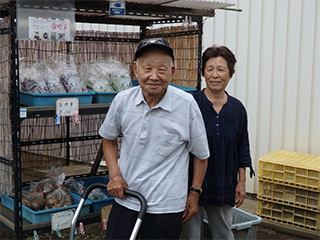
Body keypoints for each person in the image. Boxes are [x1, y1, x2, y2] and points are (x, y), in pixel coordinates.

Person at [99, 38, 210, 239]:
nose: (154, 76)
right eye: (147, 68)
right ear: (135, 69)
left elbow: (201, 154)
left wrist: (194, 193)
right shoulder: (122, 101)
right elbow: (108, 138)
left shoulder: (186, 105)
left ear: (172, 71)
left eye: (162, 69)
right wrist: (114, 175)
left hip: (166, 206)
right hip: (127, 198)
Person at [180, 45, 255, 240]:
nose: (215, 75)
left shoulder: (237, 109)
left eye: (221, 69)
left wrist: (242, 182)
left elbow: (242, 147)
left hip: (223, 181)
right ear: (203, 72)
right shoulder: (190, 103)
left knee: (223, 232)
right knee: (190, 234)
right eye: (210, 69)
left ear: (230, 74)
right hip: (190, 181)